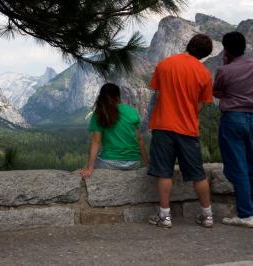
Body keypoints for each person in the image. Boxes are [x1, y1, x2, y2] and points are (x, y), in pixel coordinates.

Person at [147, 34, 214, 228]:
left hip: (163, 126)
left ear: (189, 44)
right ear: (204, 55)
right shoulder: (203, 73)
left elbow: (158, 94)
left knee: (164, 172)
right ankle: (207, 215)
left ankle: (165, 216)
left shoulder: (164, 64)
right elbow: (201, 104)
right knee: (198, 174)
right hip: (188, 128)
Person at [214, 31, 253, 228]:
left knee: (238, 167)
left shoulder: (224, 70)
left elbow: (217, 91)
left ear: (226, 49)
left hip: (234, 119)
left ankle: (246, 215)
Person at [79, 83, 149, 178]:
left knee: (86, 166)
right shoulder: (132, 111)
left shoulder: (100, 113)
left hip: (110, 163)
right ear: (118, 96)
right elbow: (139, 139)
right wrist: (148, 164)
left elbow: (96, 141)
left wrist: (90, 168)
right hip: (134, 163)